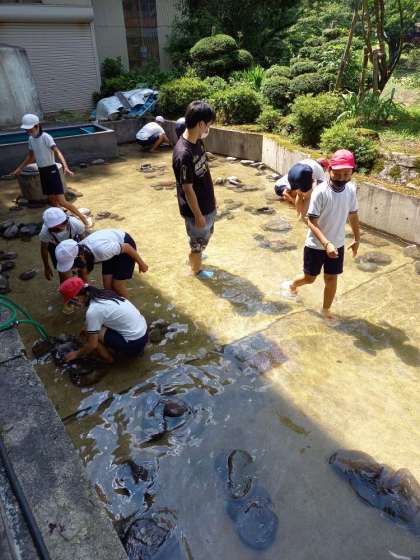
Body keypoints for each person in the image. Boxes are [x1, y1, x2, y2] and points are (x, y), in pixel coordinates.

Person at [285, 149, 360, 321]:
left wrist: (357, 238)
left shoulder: (350, 189)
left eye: (346, 174)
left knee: (331, 278)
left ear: (352, 173)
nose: (341, 178)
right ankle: (292, 285)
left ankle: (326, 309)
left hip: (338, 244)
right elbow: (311, 221)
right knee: (310, 278)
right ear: (329, 170)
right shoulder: (320, 192)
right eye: (337, 174)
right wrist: (326, 243)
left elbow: (353, 214)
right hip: (316, 245)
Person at [12, 114, 88, 226]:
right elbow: (31, 157)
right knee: (52, 200)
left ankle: (83, 218)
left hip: (52, 171)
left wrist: (65, 166)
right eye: (26, 129)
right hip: (42, 172)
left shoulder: (46, 137)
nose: (28, 131)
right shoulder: (31, 139)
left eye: (29, 129)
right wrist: (19, 169)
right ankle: (62, 219)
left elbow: (57, 151)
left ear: (37, 126)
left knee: (62, 201)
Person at [172, 100, 217, 279]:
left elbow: (204, 171)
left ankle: (196, 255)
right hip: (195, 210)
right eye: (208, 124)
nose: (209, 128)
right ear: (200, 124)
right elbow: (187, 189)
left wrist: (213, 199)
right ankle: (196, 269)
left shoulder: (198, 141)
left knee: (204, 237)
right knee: (197, 244)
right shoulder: (184, 153)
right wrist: (198, 215)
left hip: (206, 204)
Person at [59, 277, 148, 363]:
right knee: (91, 327)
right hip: (143, 333)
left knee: (87, 331)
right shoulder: (103, 293)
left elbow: (92, 345)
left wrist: (76, 354)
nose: (73, 306)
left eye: (72, 302)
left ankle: (108, 359)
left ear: (77, 298)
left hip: (134, 344)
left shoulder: (93, 311)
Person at [55, 229, 148, 298]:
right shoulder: (80, 253)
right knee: (107, 287)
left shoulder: (101, 250)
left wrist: (141, 264)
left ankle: (128, 309)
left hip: (125, 245)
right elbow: (84, 279)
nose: (74, 268)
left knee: (117, 285)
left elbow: (127, 247)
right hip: (111, 248)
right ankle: (113, 306)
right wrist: (88, 295)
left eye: (73, 265)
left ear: (79, 257)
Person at [39, 207, 85, 282]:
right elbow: (44, 249)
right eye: (54, 229)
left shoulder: (76, 224)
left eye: (63, 224)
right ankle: (65, 284)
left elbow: (83, 242)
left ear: (66, 221)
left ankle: (83, 283)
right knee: (63, 272)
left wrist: (83, 257)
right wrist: (46, 266)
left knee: (81, 266)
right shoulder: (45, 232)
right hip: (55, 246)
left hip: (73, 242)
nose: (60, 228)